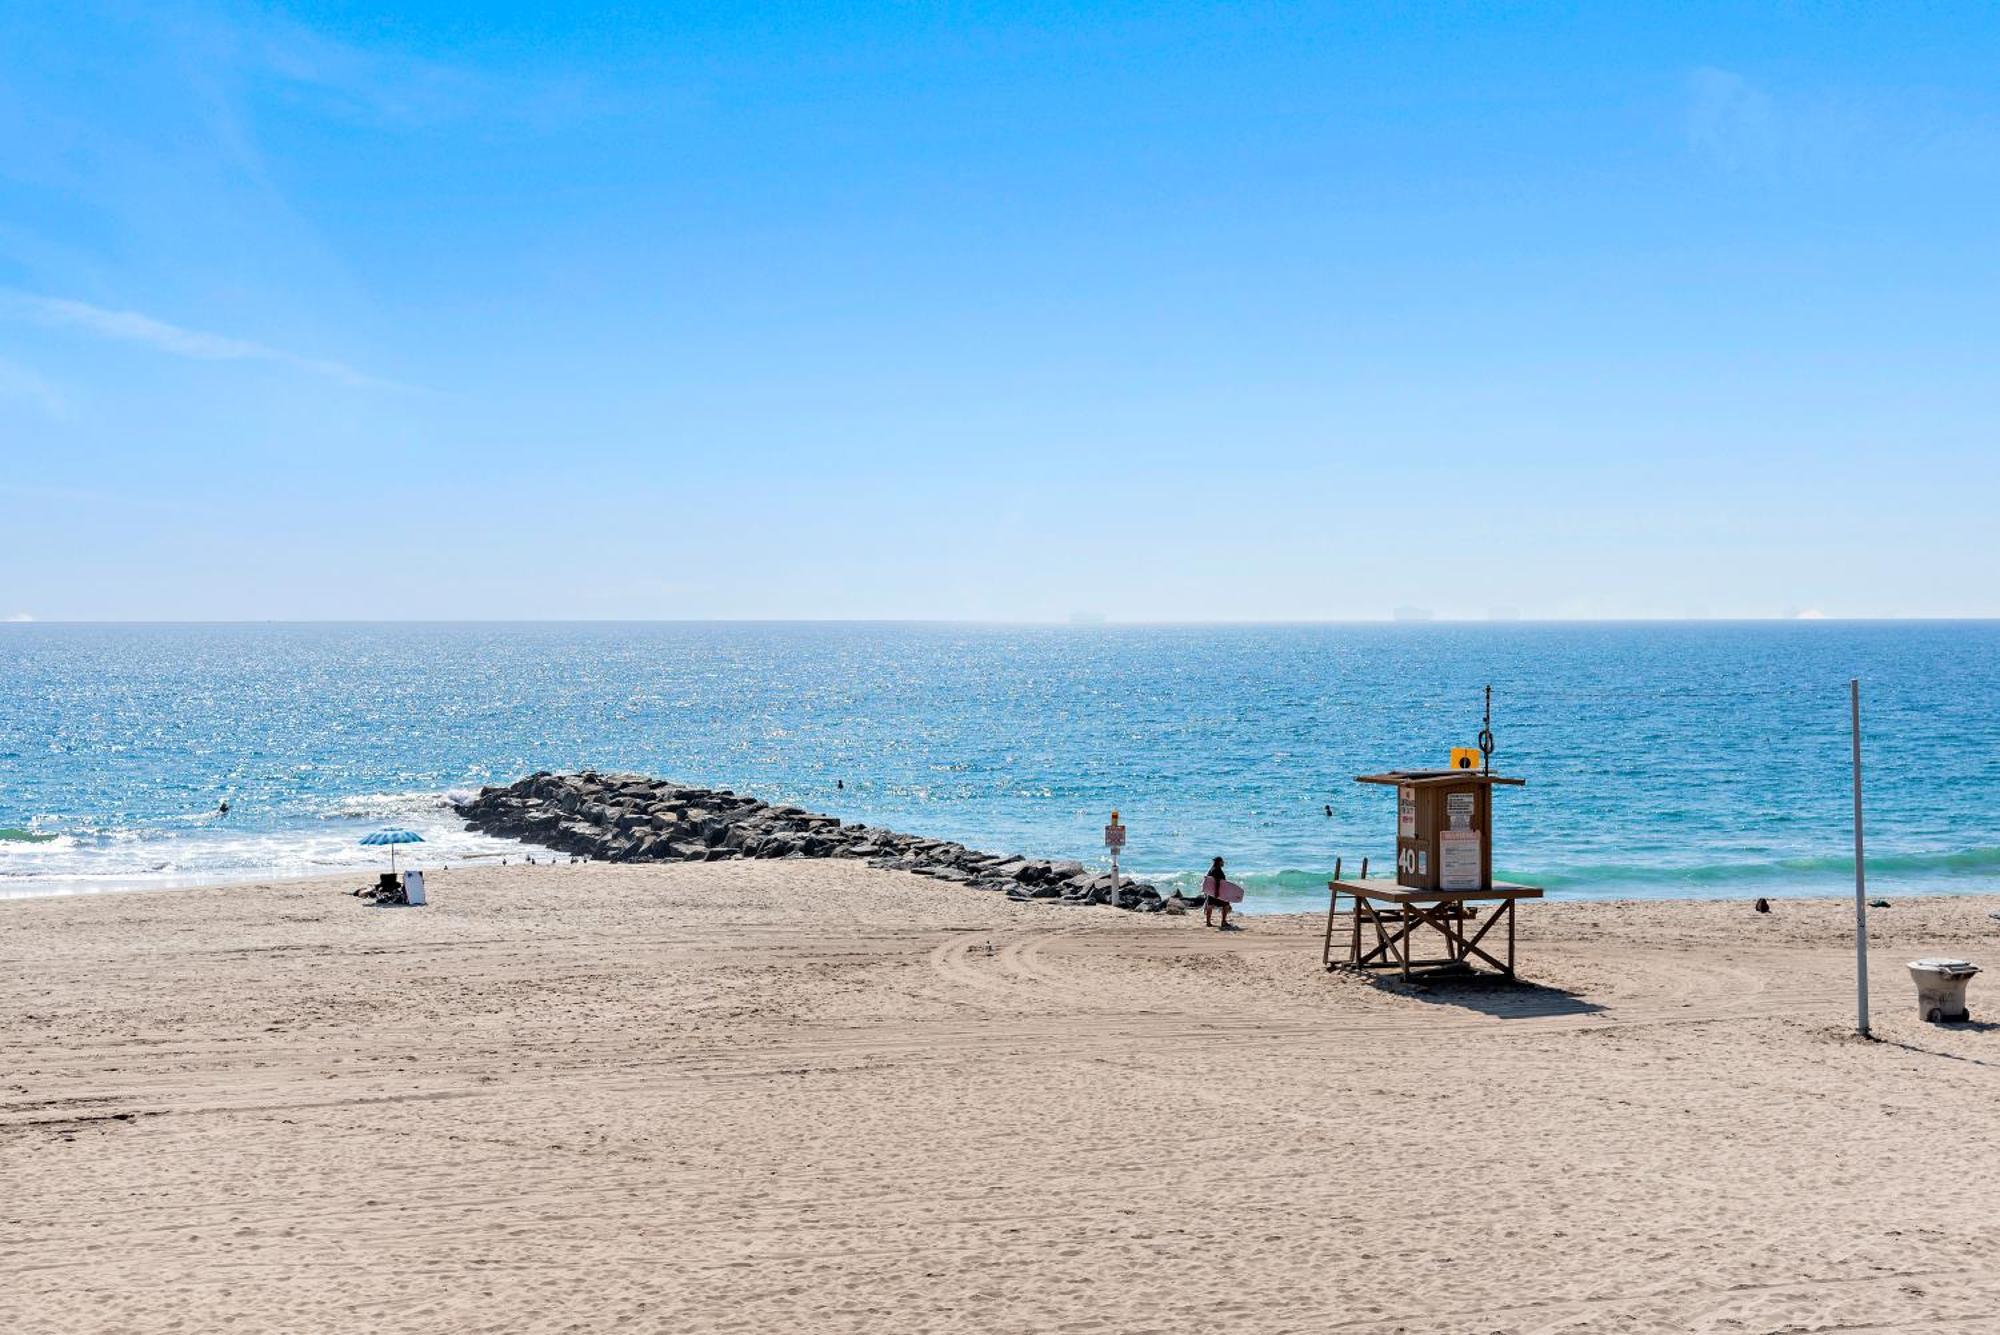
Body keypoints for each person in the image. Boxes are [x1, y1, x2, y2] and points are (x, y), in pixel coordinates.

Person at [1201, 856, 1233, 929]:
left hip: (1211, 891)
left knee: (1210, 906)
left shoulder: (1211, 869)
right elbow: (1218, 882)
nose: (1223, 863)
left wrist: (1207, 892)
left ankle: (1208, 922)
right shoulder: (1217, 870)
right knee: (1226, 905)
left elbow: (1208, 881)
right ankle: (1223, 922)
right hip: (1217, 891)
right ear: (1219, 862)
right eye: (1222, 861)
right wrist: (1217, 892)